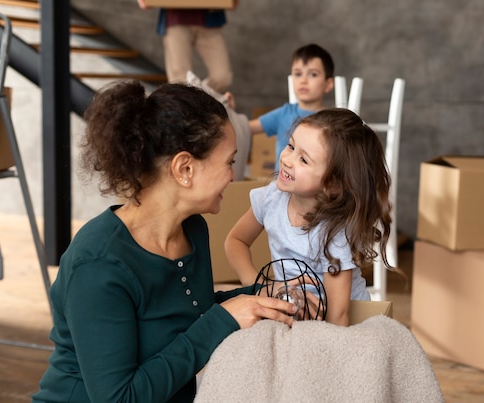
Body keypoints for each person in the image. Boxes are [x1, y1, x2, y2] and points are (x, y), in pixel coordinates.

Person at [31, 81, 300, 403]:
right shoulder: (98, 265)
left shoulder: (193, 229)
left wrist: (260, 296)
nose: (233, 176)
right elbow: (119, 398)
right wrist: (224, 319)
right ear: (184, 168)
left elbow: (184, 311)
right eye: (229, 161)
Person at [225, 108, 396, 326]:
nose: (287, 159)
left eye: (303, 160)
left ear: (332, 184)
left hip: (344, 321)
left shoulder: (334, 232)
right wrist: (258, 287)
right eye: (291, 146)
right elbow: (236, 241)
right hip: (296, 311)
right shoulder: (271, 198)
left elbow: (338, 316)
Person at [227, 43, 335, 172]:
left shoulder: (332, 121)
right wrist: (230, 111)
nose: (303, 80)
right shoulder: (284, 113)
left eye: (313, 74)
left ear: (328, 84)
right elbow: (244, 128)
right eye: (298, 74)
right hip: (282, 185)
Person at [137, 0, 235, 92]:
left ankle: (195, 99)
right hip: (176, 20)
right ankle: (190, 101)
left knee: (222, 77)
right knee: (179, 81)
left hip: (209, 20)